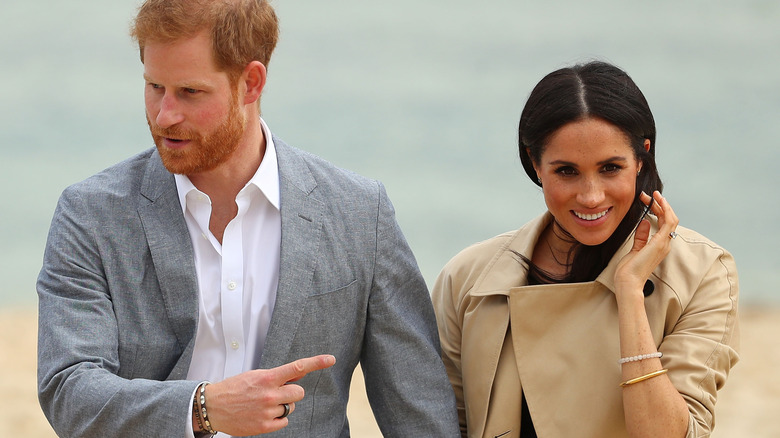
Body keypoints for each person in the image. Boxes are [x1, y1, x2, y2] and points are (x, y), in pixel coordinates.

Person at [37, 0, 459, 436]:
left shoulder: (359, 212)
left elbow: (418, 409)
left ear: (251, 82)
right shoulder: (90, 214)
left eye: (190, 92)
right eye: (155, 87)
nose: (165, 115)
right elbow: (69, 390)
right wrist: (202, 408)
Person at [431, 61, 739, 438]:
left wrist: (628, 292)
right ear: (535, 163)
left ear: (641, 156)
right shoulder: (468, 278)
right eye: (566, 171)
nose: (591, 196)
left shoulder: (704, 271)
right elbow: (441, 427)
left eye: (610, 168)